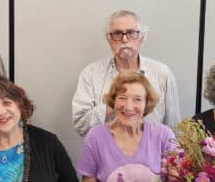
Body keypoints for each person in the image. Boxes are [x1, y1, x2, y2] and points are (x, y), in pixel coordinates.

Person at [72, 9, 180, 137]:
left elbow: (174, 130)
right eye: (117, 34)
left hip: (153, 155)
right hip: (106, 154)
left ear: (141, 37)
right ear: (109, 39)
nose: (124, 39)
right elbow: (80, 125)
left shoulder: (162, 73)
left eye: (131, 33)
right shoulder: (90, 74)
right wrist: (114, 105)